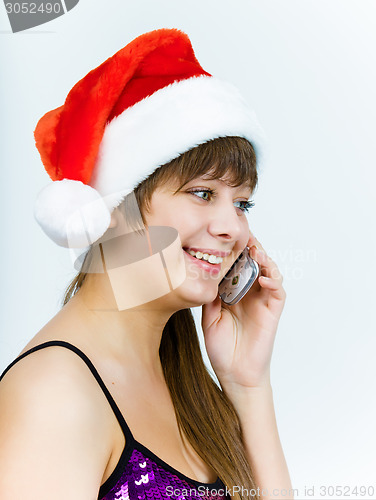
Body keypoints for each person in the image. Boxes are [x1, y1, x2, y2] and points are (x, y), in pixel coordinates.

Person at [0, 29, 292, 500]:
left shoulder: (183, 377)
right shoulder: (55, 396)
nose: (233, 229)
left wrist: (248, 384)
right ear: (117, 209)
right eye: (203, 193)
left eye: (242, 204)